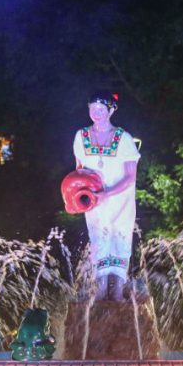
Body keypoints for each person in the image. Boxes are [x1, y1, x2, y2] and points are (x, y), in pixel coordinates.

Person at [72, 90, 141, 300]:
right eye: (93, 108)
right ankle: (100, 289)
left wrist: (107, 193)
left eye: (101, 109)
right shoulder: (81, 136)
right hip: (95, 202)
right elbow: (79, 169)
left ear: (111, 110)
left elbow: (130, 177)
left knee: (120, 239)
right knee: (99, 240)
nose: (96, 113)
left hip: (120, 200)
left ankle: (118, 291)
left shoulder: (123, 138)